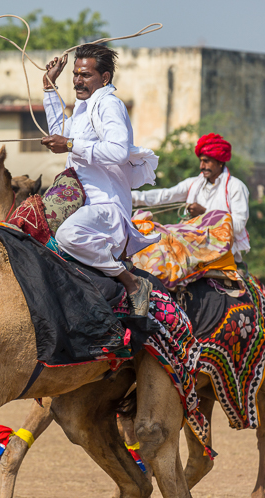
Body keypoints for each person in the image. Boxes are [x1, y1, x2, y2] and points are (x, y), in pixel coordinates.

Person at [41, 44, 159, 315]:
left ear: (104, 78)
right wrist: (49, 87)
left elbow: (118, 151)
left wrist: (71, 145)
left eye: (85, 75)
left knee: (67, 236)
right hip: (83, 208)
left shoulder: (109, 104)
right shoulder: (84, 107)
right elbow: (60, 131)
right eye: (75, 74)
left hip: (107, 211)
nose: (77, 81)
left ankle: (131, 282)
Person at [132, 133, 250, 262]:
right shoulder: (193, 184)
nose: (201, 166)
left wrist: (205, 213)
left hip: (223, 250)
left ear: (220, 161)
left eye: (206, 161)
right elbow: (164, 196)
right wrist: (129, 197)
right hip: (191, 244)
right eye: (201, 161)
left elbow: (238, 225)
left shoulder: (236, 187)